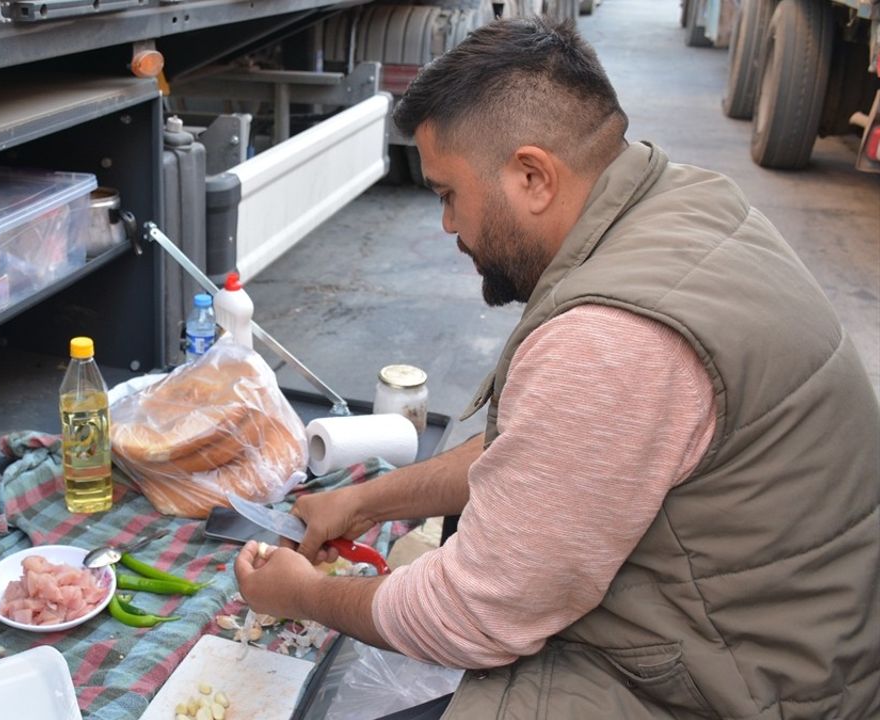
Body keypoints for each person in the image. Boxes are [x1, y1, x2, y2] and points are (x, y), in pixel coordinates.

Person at [234, 17, 880, 720]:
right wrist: (362, 502)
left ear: (533, 175)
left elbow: (470, 616)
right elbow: (546, 446)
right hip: (785, 637)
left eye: (449, 194)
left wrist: (300, 594)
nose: (448, 226)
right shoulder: (679, 200)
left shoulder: (610, 337)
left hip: (751, 692)